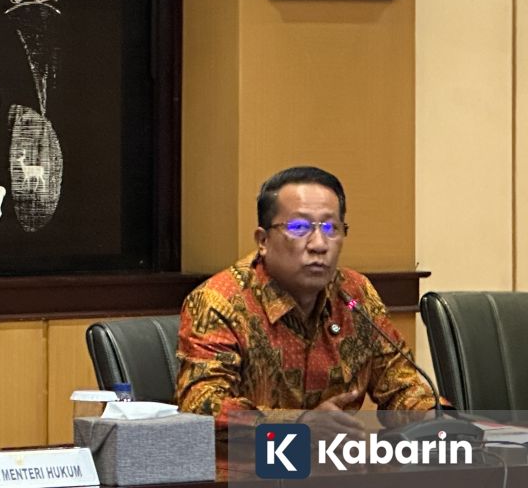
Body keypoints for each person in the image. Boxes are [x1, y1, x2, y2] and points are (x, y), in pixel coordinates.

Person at [174, 166, 436, 438]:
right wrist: (299, 424)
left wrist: (440, 419)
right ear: (263, 240)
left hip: (336, 460)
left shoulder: (354, 295)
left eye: (331, 228)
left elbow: (401, 387)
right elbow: (202, 407)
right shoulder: (219, 302)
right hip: (249, 460)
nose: (319, 244)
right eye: (299, 228)